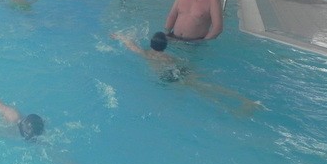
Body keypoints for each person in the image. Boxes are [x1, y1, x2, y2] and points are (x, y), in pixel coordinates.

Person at [111, 31, 260, 114]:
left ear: (151, 43)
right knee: (206, 85)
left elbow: (131, 44)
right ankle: (245, 100)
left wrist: (119, 36)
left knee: (201, 90)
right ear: (165, 45)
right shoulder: (170, 56)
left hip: (168, 76)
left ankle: (230, 109)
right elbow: (182, 63)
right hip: (180, 69)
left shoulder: (145, 53)